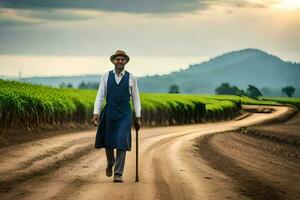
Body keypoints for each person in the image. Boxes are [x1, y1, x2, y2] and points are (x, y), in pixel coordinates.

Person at [92, 50, 142, 182]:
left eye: (122, 59)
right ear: (113, 61)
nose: (120, 61)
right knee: (108, 142)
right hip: (110, 111)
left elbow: (136, 98)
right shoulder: (106, 76)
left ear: (126, 62)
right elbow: (100, 95)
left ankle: (118, 173)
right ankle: (110, 162)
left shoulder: (131, 78)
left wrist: (138, 117)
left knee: (121, 141)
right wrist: (96, 113)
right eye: (117, 59)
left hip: (125, 113)